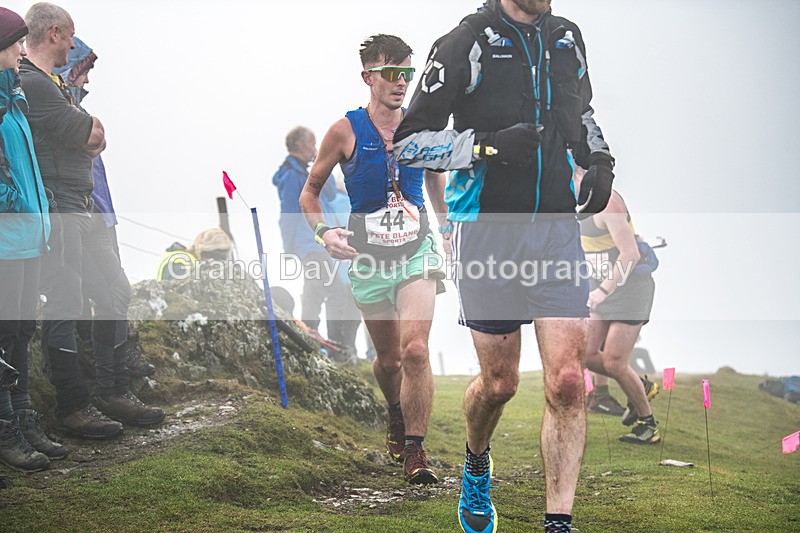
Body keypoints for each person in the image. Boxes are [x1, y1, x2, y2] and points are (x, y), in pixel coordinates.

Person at [393, 1, 615, 530]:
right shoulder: (465, 41)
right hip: (486, 227)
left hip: (556, 228)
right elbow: (409, 144)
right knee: (499, 383)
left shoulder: (566, 38)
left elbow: (581, 113)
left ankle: (558, 523)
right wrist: (487, 146)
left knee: (568, 381)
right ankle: (476, 462)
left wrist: (600, 159)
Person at [300, 34, 448, 485]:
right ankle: (395, 411)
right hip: (367, 259)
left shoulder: (421, 127)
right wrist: (324, 232)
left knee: (415, 350)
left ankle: (415, 450)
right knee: (389, 361)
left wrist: (447, 228)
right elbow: (310, 192)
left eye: (407, 73)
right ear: (368, 77)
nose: (401, 82)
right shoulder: (344, 131)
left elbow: (435, 181)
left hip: (416, 250)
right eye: (392, 73)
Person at [21, 3, 163, 439]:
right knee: (65, 302)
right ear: (55, 33)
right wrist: (89, 128)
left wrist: (87, 130)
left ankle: (113, 390)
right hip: (59, 206)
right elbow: (94, 134)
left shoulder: (53, 84)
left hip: (84, 205)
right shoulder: (33, 83)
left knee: (114, 291)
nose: (72, 46)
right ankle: (72, 406)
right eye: (69, 36)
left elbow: (92, 137)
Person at [53, 36, 155, 380]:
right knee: (90, 291)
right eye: (82, 72)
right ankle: (98, 363)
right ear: (68, 71)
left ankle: (119, 354)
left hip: (100, 211)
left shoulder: (76, 111)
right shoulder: (58, 112)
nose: (86, 81)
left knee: (114, 288)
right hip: (79, 212)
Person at [0, 6, 67, 472]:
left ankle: (24, 420)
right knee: (5, 335)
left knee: (21, 331)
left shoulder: (15, 98)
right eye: (16, 44)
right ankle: (7, 431)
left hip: (26, 238)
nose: (23, 52)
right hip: (6, 240)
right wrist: (17, 202)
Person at [576, 166, 659, 444]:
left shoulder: (607, 201)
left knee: (613, 360)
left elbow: (630, 254)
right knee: (585, 354)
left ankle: (648, 425)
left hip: (631, 289)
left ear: (579, 171)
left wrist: (603, 290)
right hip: (601, 289)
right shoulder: (569, 201)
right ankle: (639, 385)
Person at [273, 126, 361, 357]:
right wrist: (290, 246)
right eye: (312, 144)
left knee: (314, 290)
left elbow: (329, 193)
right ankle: (335, 341)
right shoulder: (291, 176)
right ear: (300, 145)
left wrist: (322, 164)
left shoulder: (305, 171)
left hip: (318, 241)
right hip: (308, 243)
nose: (315, 148)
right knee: (335, 290)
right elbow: (288, 213)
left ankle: (309, 332)